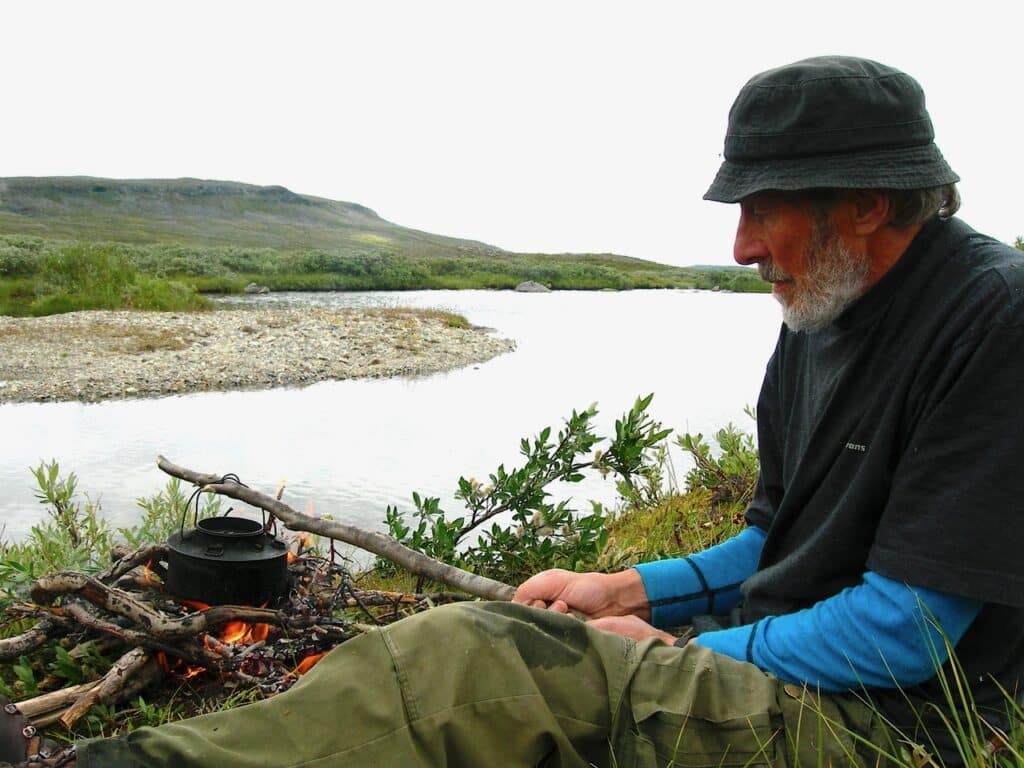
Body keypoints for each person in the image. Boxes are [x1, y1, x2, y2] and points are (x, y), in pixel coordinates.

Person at [10, 55, 1024, 768]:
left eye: (765, 207)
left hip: (892, 726)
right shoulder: (823, 309)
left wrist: (679, 652)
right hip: (796, 659)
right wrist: (622, 586)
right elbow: (773, 543)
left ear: (868, 201)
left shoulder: (992, 321)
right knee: (491, 631)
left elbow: (906, 633)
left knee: (482, 663)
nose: (741, 246)